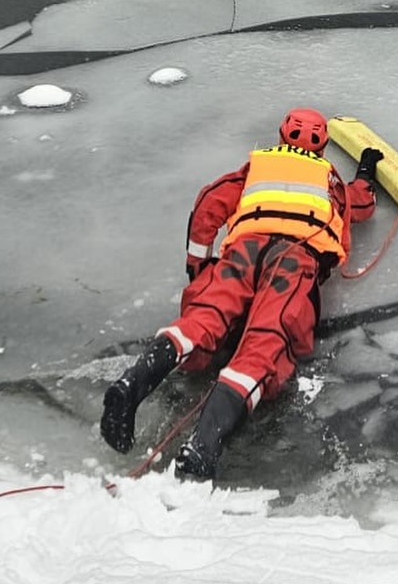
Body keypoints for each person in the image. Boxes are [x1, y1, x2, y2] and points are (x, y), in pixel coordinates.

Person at [100, 107, 383, 479]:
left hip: (244, 249)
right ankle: (202, 447)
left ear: (282, 137)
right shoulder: (328, 180)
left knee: (200, 320)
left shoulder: (258, 167)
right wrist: (366, 167)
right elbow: (362, 202)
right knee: (266, 341)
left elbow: (208, 205)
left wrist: (198, 268)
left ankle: (132, 383)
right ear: (323, 148)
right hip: (294, 260)